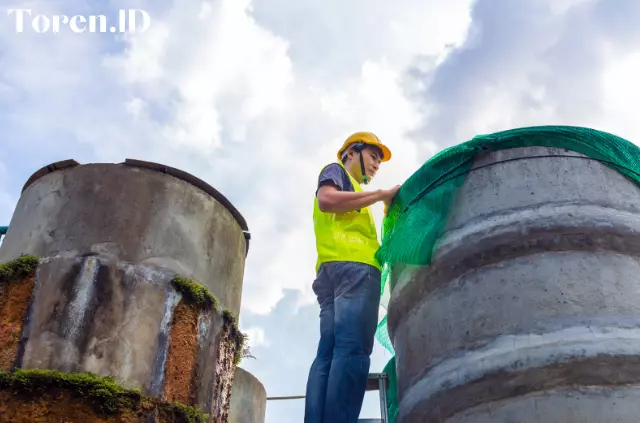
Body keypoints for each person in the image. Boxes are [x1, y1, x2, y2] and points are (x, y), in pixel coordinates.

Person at [305, 131, 400, 423]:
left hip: (330, 272)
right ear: (351, 153)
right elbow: (327, 199)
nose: (375, 166)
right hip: (355, 270)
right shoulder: (336, 173)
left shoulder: (353, 188)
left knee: (329, 352)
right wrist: (381, 195)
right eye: (373, 156)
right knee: (353, 349)